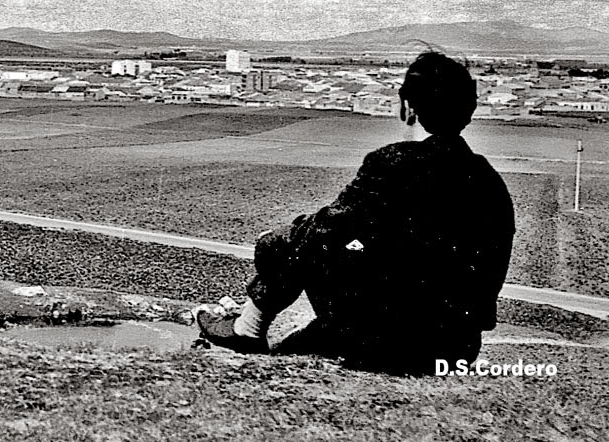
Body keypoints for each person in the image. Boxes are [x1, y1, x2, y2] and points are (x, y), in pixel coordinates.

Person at [196, 51, 515, 376]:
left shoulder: (391, 164)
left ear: (407, 107)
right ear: (470, 109)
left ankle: (248, 329)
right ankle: (264, 331)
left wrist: (271, 244)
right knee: (290, 346)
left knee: (303, 239)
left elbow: (325, 229)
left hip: (381, 339)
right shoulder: (490, 182)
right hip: (456, 346)